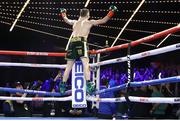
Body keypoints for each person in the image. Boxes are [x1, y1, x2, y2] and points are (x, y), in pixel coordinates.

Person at [59, 6, 118, 94]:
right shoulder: (89, 22)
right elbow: (104, 20)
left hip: (72, 43)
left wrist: (63, 13)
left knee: (68, 67)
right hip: (81, 43)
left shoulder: (75, 22)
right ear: (87, 15)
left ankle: (62, 87)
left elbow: (66, 19)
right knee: (86, 65)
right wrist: (112, 11)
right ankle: (89, 86)